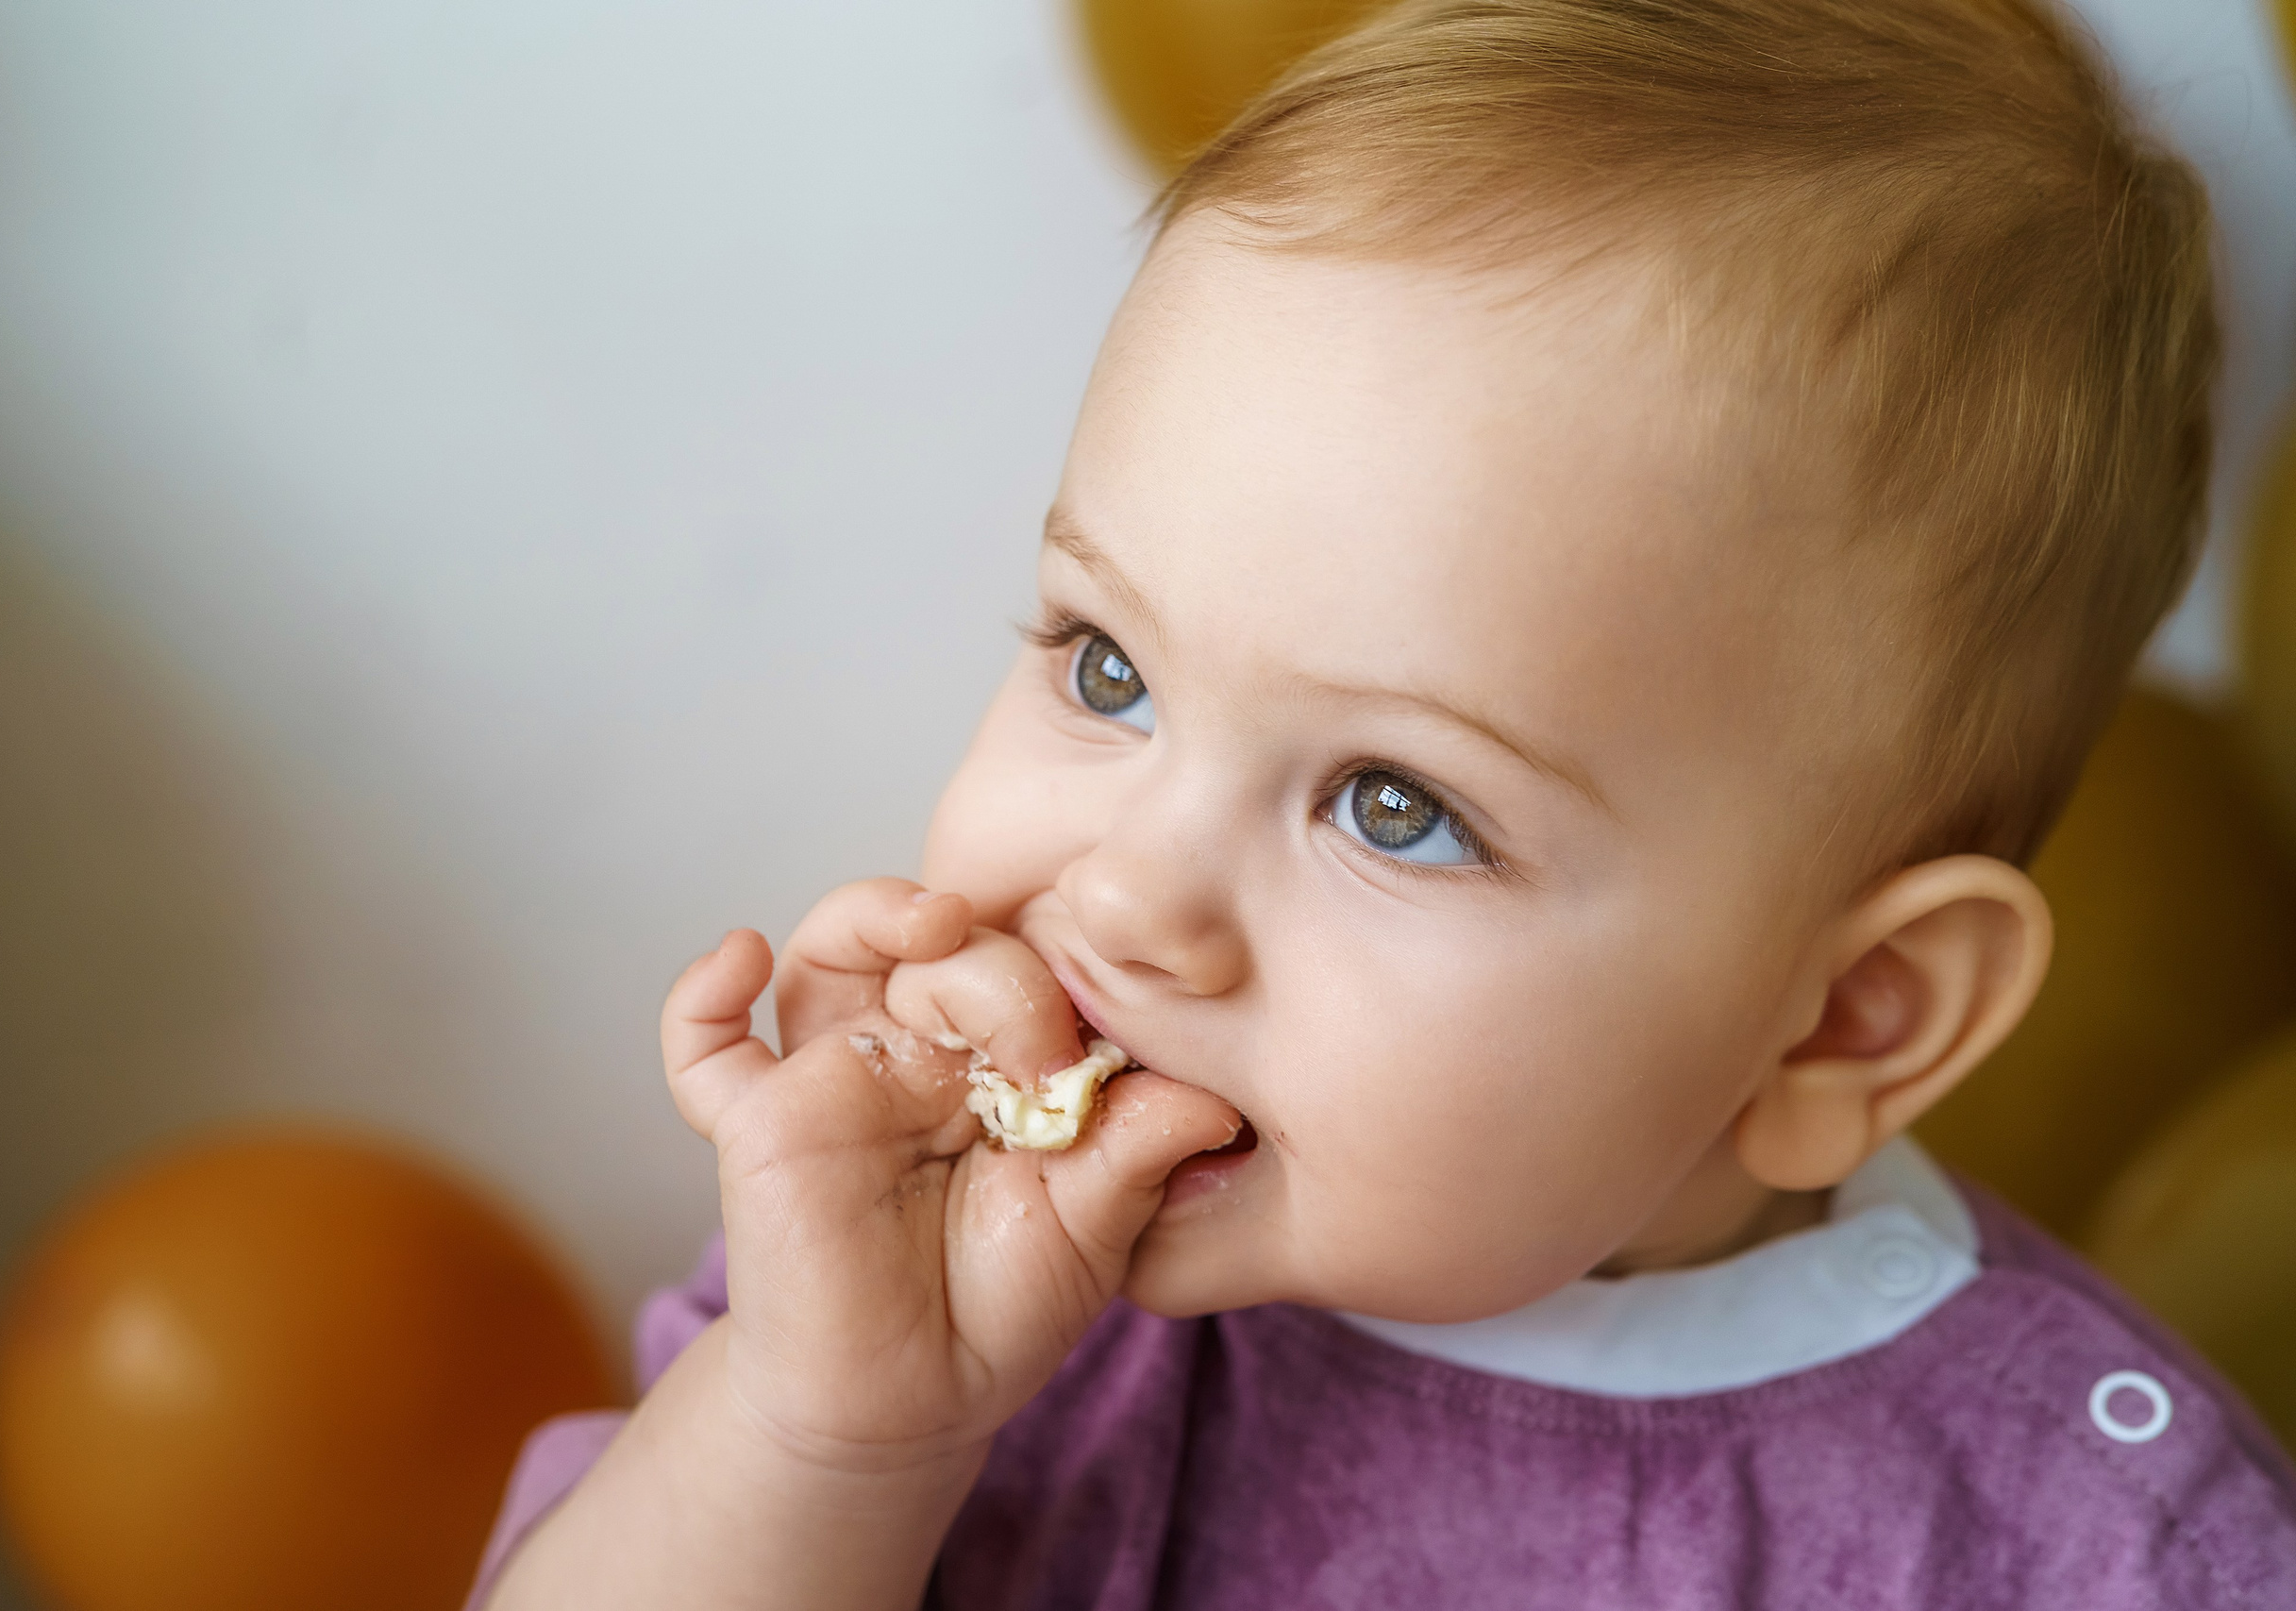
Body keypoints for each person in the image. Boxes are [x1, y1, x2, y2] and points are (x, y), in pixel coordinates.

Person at [470, 0, 2296, 1604]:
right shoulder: (919, 1276)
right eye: (1110, 670)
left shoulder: (2087, 1549)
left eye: (1395, 807)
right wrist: (822, 1431)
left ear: (1842, 1020)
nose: (1123, 900)